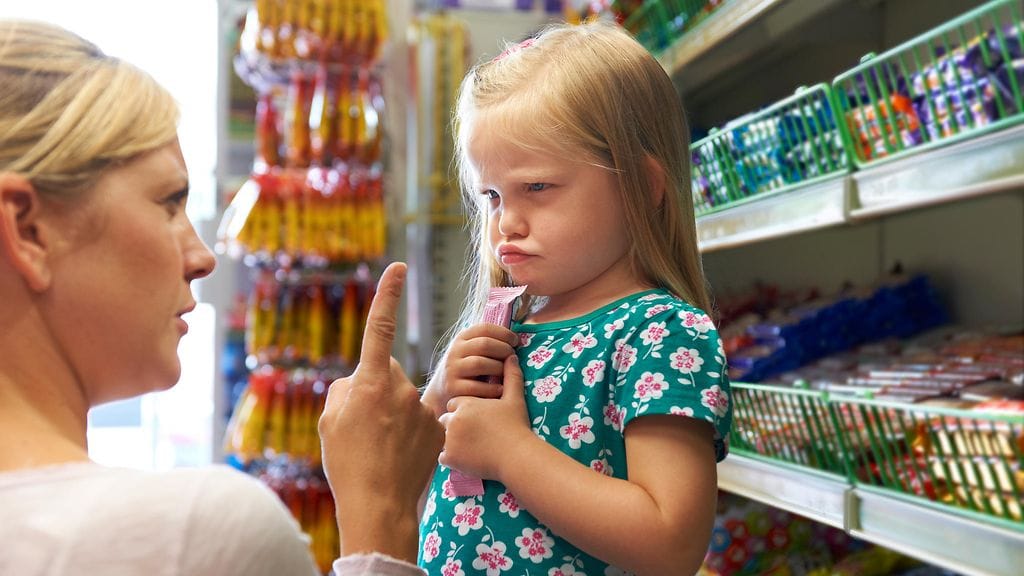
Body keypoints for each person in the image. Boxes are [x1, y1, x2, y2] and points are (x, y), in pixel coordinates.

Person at [0, 19, 439, 576]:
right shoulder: (192, 533)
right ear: (28, 229)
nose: (203, 257)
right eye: (167, 202)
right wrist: (383, 514)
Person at [419, 21, 732, 576]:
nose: (505, 222)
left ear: (643, 187)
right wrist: (440, 392)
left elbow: (671, 543)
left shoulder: (659, 332)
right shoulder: (514, 326)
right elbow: (411, 473)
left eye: (537, 188)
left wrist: (509, 452)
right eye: (490, 195)